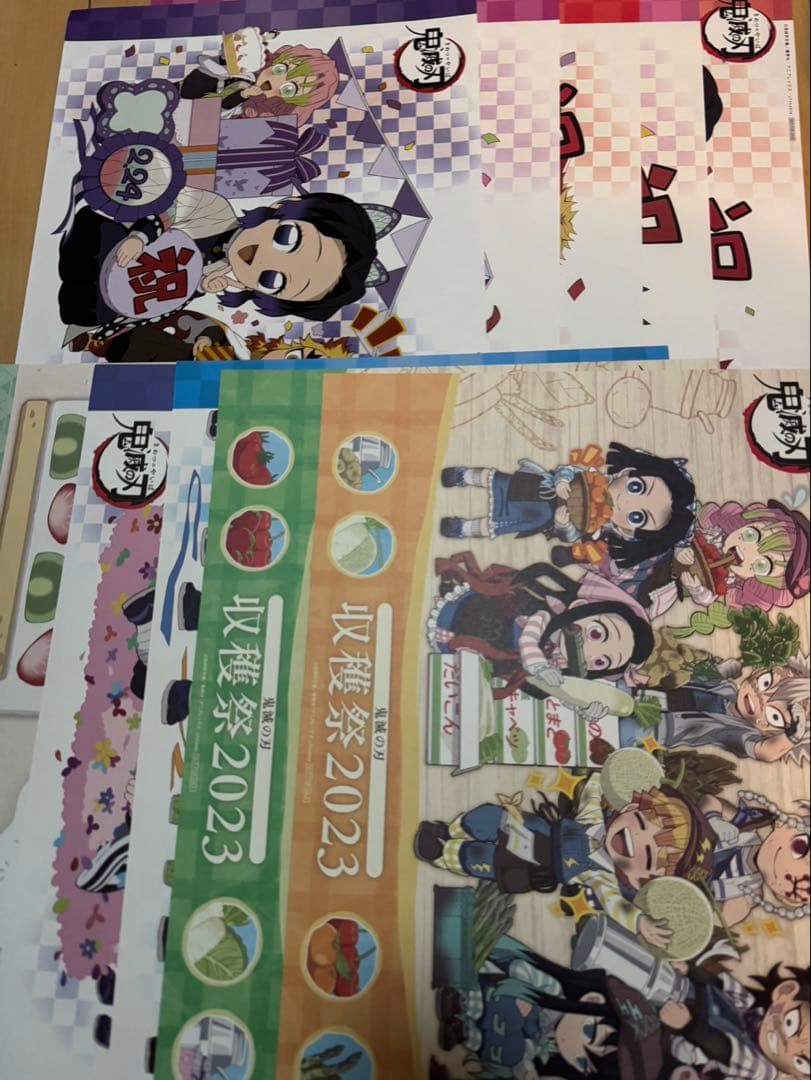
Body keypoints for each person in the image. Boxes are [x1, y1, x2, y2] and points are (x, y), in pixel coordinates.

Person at [415, 766, 715, 946]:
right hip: (524, 825)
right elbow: (591, 794)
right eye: (639, 823)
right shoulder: (592, 820)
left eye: (647, 854)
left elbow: (616, 906)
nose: (634, 840)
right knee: (485, 817)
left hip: (527, 867)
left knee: (481, 859)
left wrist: (639, 922)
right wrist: (602, 774)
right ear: (629, 808)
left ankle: (441, 852)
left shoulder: (601, 876)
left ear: (640, 880)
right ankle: (450, 829)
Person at [58, 191, 388, 347]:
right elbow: (170, 208)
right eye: (286, 238)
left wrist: (202, 285)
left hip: (111, 294)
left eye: (273, 279)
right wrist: (141, 237)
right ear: (282, 208)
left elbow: (164, 300)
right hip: (103, 243)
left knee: (84, 308)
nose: (264, 260)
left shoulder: (221, 275)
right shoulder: (216, 210)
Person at [438, 443, 696, 578]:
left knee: (507, 524)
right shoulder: (593, 475)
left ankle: (465, 527)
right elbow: (569, 469)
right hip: (541, 486)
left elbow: (572, 537)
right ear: (628, 472)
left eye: (637, 517)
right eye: (636, 487)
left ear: (629, 532)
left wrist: (563, 525)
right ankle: (465, 476)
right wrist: (562, 481)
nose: (626, 503)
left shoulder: (597, 531)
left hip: (543, 518)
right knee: (503, 481)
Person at [427, 553, 654, 701]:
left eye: (601, 662)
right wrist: (538, 665)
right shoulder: (545, 616)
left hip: (487, 659)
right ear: (579, 606)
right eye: (596, 633)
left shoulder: (560, 662)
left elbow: (558, 690)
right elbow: (528, 638)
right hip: (480, 620)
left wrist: (582, 706)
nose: (590, 652)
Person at [662, 962, 810, 1080]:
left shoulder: (764, 1070)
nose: (786, 1045)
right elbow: (719, 985)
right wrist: (691, 970)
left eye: (801, 1061)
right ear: (785, 992)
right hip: (684, 1014)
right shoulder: (749, 1005)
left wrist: (689, 1026)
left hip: (687, 1053)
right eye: (791, 1023)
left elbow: (724, 1050)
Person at [180, 42, 339, 125]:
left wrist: (242, 95)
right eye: (280, 69)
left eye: (288, 89)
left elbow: (218, 114)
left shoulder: (260, 113)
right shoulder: (246, 74)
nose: (274, 82)